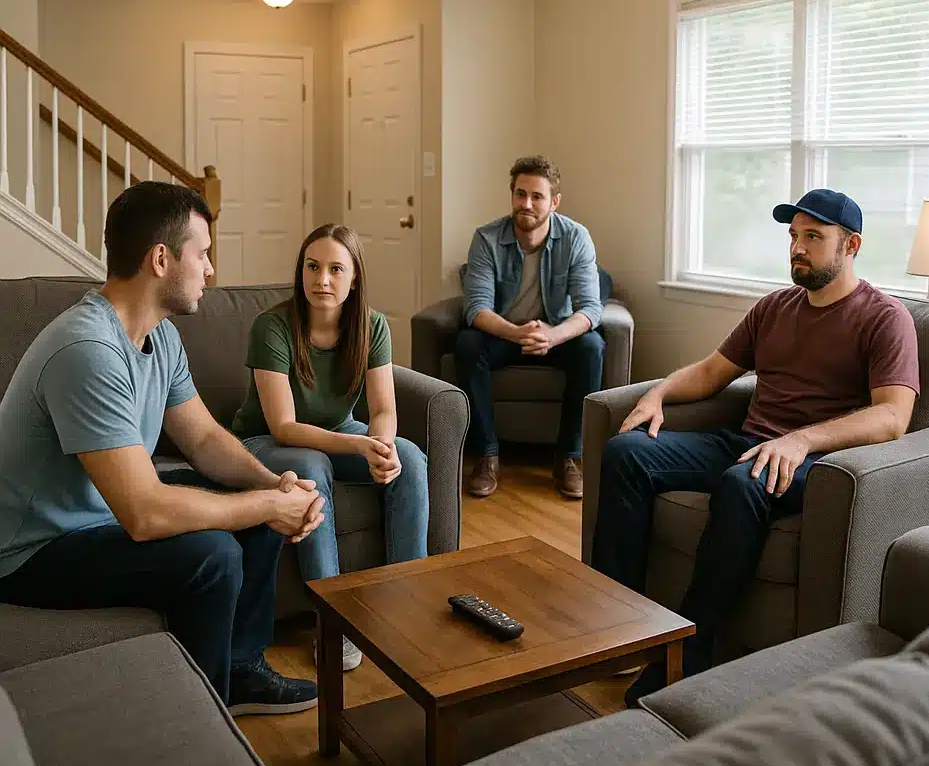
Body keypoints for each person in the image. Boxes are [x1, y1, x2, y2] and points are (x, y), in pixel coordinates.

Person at [0, 182, 322, 715]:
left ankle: (238, 672)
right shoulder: (87, 349)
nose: (211, 270)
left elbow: (203, 438)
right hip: (33, 547)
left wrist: (271, 487)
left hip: (98, 513)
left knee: (254, 511)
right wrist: (267, 505)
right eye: (203, 254)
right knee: (213, 554)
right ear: (160, 259)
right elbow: (145, 513)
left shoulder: (160, 335)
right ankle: (201, 718)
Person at [590, 189, 920, 706]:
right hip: (746, 441)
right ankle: (620, 624)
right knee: (627, 451)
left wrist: (801, 440)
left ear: (851, 245)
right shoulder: (774, 308)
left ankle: (689, 653)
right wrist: (658, 394)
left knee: (742, 482)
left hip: (817, 462)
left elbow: (893, 417)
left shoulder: (884, 317)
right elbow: (711, 373)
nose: (798, 247)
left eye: (814, 236)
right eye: (793, 236)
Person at [232, 223, 430, 671]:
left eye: (335, 269)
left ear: (354, 277)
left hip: (339, 433)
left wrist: (380, 446)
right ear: (300, 271)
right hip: (264, 441)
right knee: (312, 463)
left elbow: (383, 408)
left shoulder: (373, 325)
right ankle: (331, 622)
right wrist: (357, 445)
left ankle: (407, 605)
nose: (322, 279)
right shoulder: (272, 327)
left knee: (411, 458)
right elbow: (283, 426)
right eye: (312, 267)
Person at [456, 156, 605, 500]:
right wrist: (517, 333)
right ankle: (487, 455)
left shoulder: (576, 237)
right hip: (506, 332)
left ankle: (569, 457)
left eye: (537, 196)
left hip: (555, 333)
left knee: (592, 348)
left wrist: (553, 336)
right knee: (466, 344)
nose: (526, 204)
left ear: (554, 202)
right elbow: (476, 308)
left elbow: (591, 308)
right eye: (520, 194)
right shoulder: (487, 238)